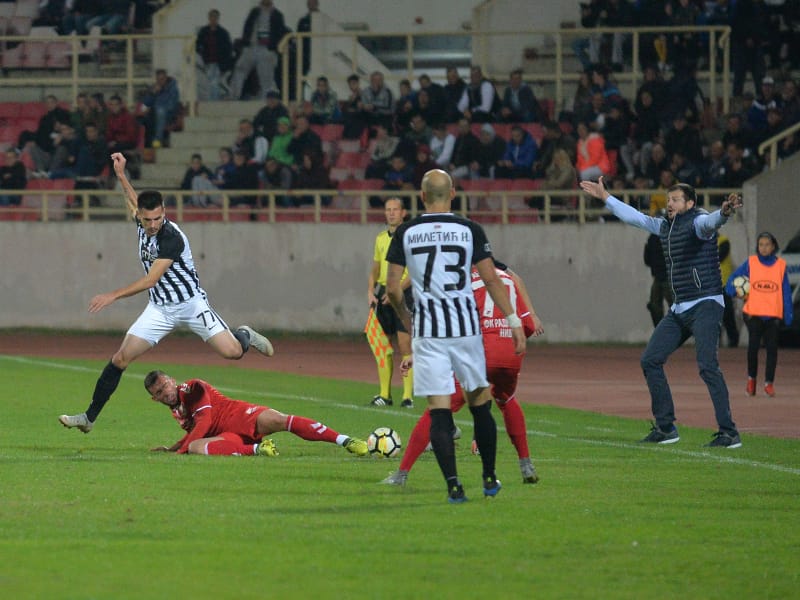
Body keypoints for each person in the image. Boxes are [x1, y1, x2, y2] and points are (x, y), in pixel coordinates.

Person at [58, 153, 274, 434]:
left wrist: (112, 295)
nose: (151, 224)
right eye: (147, 220)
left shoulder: (170, 237)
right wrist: (121, 175)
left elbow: (151, 279)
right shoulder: (142, 219)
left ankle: (243, 333)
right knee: (120, 358)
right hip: (160, 308)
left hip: (191, 305)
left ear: (164, 212)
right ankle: (89, 418)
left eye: (157, 218)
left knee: (233, 352)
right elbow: (133, 201)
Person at [385, 169, 526, 503]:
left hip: (429, 332)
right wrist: (514, 321)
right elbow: (492, 279)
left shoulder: (406, 231)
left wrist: (408, 319)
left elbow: (392, 289)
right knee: (480, 405)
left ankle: (453, 486)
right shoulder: (469, 229)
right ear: (452, 194)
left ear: (421, 197)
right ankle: (489, 477)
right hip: (465, 329)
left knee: (439, 411)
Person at [579, 177, 743, 448]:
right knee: (650, 360)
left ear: (690, 204)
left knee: (707, 366)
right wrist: (606, 197)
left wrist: (724, 211)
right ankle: (666, 428)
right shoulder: (665, 227)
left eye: (676, 200)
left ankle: (729, 432)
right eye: (668, 200)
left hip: (706, 304)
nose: (670, 204)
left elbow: (712, 221)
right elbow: (634, 217)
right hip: (680, 309)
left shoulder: (698, 223)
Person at [381, 262, 544, 487]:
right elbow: (527, 326)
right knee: (506, 399)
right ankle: (526, 465)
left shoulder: (463, 282)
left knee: (438, 408)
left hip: (483, 353)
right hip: (511, 355)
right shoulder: (507, 280)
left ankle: (401, 474)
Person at [145, 370, 368, 457]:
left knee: (281, 420)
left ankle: (346, 441)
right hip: (228, 435)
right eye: (159, 392)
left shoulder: (193, 388)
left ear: (172, 381)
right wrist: (174, 447)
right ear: (155, 398)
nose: (165, 392)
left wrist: (179, 452)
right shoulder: (177, 411)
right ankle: (257, 449)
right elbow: (196, 433)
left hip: (240, 415)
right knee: (196, 447)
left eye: (165, 385)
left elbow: (205, 422)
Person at [725, 232, 793, 397]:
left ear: (773, 246)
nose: (764, 248)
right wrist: (732, 289)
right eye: (761, 244)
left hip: (772, 315)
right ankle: (751, 379)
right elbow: (733, 279)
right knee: (753, 347)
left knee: (772, 349)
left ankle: (769, 383)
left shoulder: (781, 266)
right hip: (753, 313)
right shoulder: (751, 263)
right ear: (758, 247)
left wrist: (788, 313)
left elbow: (785, 291)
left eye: (767, 244)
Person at [366, 197, 414, 408]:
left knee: (405, 344)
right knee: (381, 344)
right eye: (388, 210)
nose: (391, 213)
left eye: (395, 209)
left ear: (403, 213)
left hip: (403, 292)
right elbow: (375, 268)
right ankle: (385, 394)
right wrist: (370, 290)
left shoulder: (410, 238)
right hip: (384, 291)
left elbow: (414, 273)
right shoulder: (380, 239)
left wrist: (396, 290)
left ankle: (407, 397)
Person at [229, 0, 288, 100]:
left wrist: (274, 48)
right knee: (239, 69)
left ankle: (266, 100)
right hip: (251, 47)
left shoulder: (277, 15)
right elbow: (247, 27)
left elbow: (280, 32)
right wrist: (245, 43)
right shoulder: (254, 12)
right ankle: (233, 96)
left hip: (267, 49)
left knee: (266, 77)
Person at [195, 9, 235, 101]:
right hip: (208, 61)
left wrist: (226, 63)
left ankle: (214, 101)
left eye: (215, 17)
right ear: (209, 18)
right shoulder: (204, 31)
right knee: (210, 82)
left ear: (218, 18)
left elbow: (228, 48)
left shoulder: (223, 32)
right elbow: (198, 44)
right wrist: (201, 53)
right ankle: (213, 100)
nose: (213, 19)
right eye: (211, 17)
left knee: (214, 82)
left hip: (219, 62)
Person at [141, 69, 181, 149]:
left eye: (162, 79)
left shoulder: (172, 89)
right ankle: (147, 145)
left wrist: (161, 107)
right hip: (155, 113)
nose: (160, 82)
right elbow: (145, 103)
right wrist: (152, 93)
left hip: (169, 114)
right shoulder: (154, 88)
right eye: (158, 79)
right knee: (145, 118)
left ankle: (158, 140)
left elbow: (172, 105)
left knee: (160, 111)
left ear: (166, 78)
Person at [643, 232, 673, 327]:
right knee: (655, 306)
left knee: (673, 306)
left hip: (665, 276)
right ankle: (661, 331)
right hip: (661, 276)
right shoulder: (667, 236)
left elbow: (647, 259)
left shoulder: (653, 238)